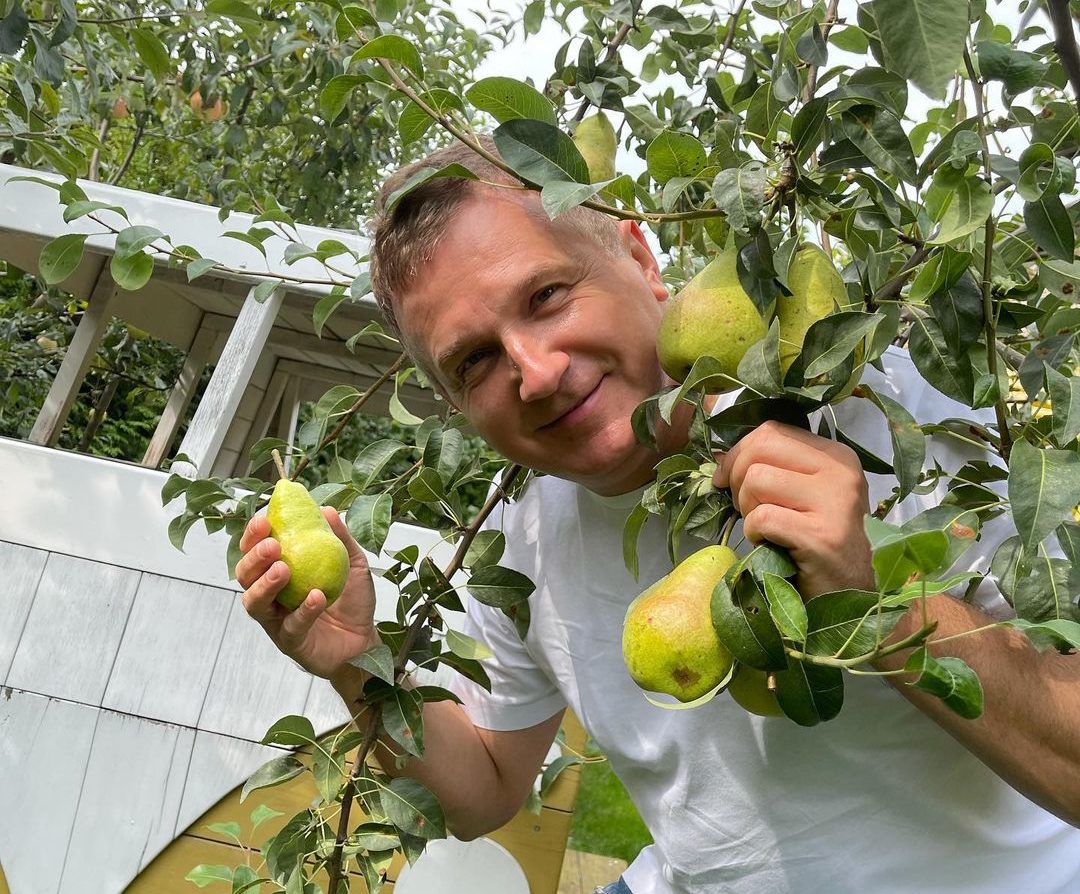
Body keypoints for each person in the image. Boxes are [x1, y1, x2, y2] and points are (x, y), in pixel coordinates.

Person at [235, 136, 1080, 894]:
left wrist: (876, 600)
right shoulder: (520, 540)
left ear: (639, 257)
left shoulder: (894, 415)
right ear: (453, 404)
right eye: (475, 361)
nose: (534, 372)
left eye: (547, 296)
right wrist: (358, 661)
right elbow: (483, 793)